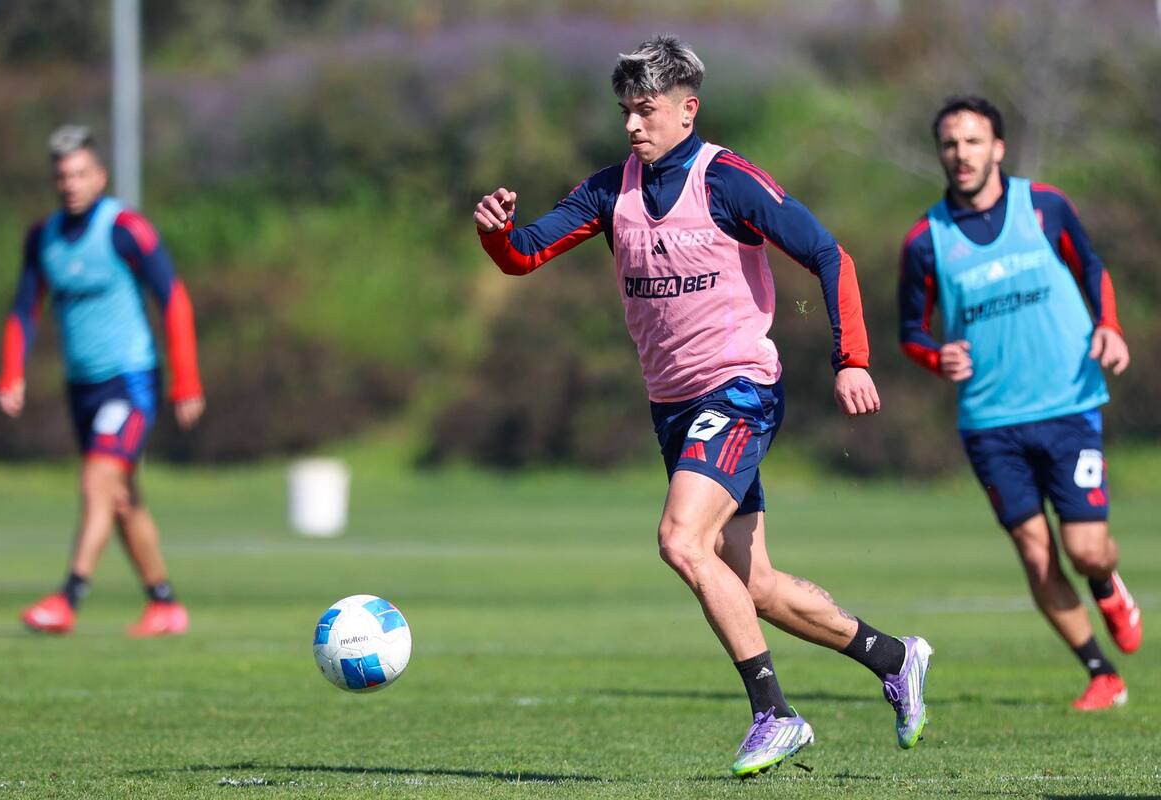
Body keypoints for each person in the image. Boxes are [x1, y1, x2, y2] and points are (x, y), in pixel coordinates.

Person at [474, 35, 931, 777]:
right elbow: (526, 253)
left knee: (681, 542)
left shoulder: (729, 181)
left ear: (688, 110)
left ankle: (775, 714)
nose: (631, 125)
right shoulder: (608, 190)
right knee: (752, 584)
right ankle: (895, 656)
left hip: (740, 390)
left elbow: (829, 254)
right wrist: (495, 233)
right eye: (625, 110)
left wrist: (852, 359)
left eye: (645, 110)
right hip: (674, 406)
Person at [898, 96, 1141, 710]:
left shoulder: (1044, 206)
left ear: (998, 148)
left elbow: (1091, 267)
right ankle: (1100, 674)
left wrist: (1108, 325)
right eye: (950, 144)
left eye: (973, 141)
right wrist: (937, 356)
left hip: (1068, 403)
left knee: (1086, 549)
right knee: (1036, 554)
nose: (961, 154)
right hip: (990, 422)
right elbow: (911, 331)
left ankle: (1107, 583)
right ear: (941, 154)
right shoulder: (927, 240)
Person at [0, 125, 205, 638]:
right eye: (63, 175)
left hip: (130, 380)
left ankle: (68, 598)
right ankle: (165, 605)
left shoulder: (125, 229)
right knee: (120, 497)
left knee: (97, 482)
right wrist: (12, 372)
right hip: (81, 388)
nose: (71, 184)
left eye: (81, 173)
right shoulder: (42, 237)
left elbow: (173, 299)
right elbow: (24, 310)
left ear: (100, 176)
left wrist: (186, 381)